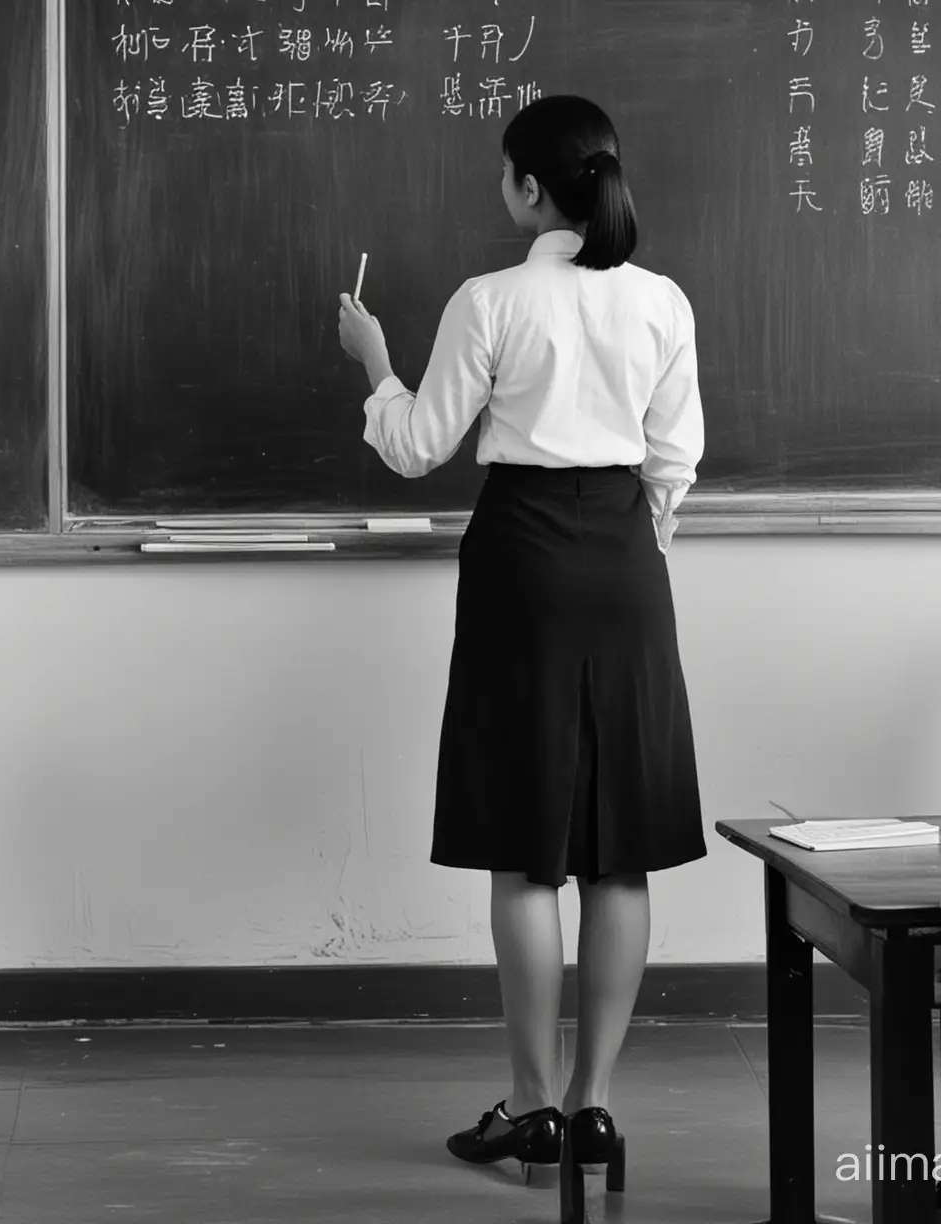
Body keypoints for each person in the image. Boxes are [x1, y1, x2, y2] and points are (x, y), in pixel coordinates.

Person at [337, 95, 706, 1201]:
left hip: (522, 564)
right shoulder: (662, 301)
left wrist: (374, 357)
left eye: (505, 174)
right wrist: (630, 544)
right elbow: (675, 461)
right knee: (618, 847)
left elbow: (414, 446)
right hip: (627, 566)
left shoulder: (490, 300)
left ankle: (532, 1108)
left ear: (533, 189)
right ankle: (594, 1109)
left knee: (527, 845)